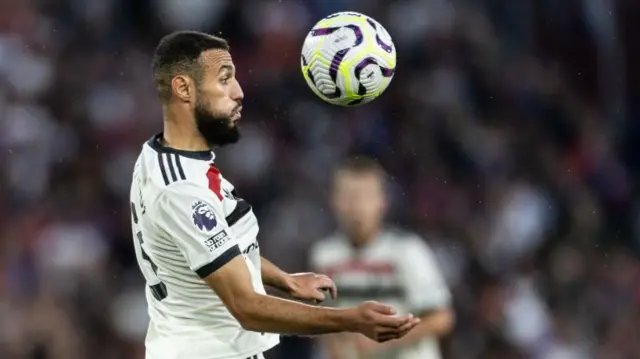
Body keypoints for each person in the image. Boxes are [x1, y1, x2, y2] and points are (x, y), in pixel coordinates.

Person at [129, 31, 420, 359]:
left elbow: (215, 248)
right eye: (225, 80)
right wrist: (351, 319)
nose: (239, 92)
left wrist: (285, 280)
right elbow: (247, 307)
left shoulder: (159, 156)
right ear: (183, 88)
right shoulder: (182, 191)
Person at [310, 157, 455, 359]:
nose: (357, 206)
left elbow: (441, 318)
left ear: (382, 201)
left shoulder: (407, 251)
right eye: (349, 196)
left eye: (365, 196)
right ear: (334, 201)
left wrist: (385, 340)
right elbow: (323, 318)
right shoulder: (325, 255)